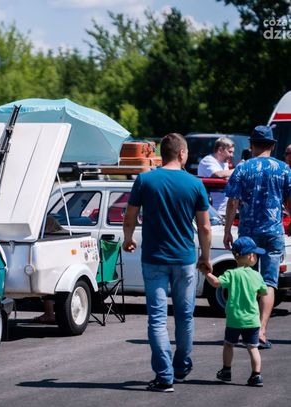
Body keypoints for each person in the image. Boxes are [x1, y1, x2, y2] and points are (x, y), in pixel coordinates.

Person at [123, 133, 212, 392]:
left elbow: (129, 217)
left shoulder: (145, 180)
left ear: (163, 154)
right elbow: (205, 227)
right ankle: (181, 366)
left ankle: (164, 376)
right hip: (184, 259)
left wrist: (128, 238)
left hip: (154, 258)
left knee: (157, 319)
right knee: (185, 316)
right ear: (182, 153)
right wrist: (205, 257)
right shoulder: (194, 183)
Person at [223, 125, 291, 349]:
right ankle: (261, 331)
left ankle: (246, 328)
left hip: (248, 233)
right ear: (272, 145)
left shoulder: (242, 168)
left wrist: (227, 230)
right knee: (269, 281)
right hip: (273, 231)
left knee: (247, 280)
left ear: (251, 145)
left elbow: (232, 202)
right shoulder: (284, 169)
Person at [203, 236, 268, 387]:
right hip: (252, 320)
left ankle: (226, 371)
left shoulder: (231, 274)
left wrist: (206, 273)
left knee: (228, 344)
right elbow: (263, 292)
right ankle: (256, 375)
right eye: (255, 254)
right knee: (253, 348)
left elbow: (216, 283)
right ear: (251, 256)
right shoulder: (256, 275)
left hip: (234, 319)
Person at [197, 137, 235, 214]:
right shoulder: (208, 161)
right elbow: (217, 174)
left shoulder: (224, 163)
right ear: (220, 150)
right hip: (213, 211)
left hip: (224, 210)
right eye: (230, 152)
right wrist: (239, 169)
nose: (232, 155)